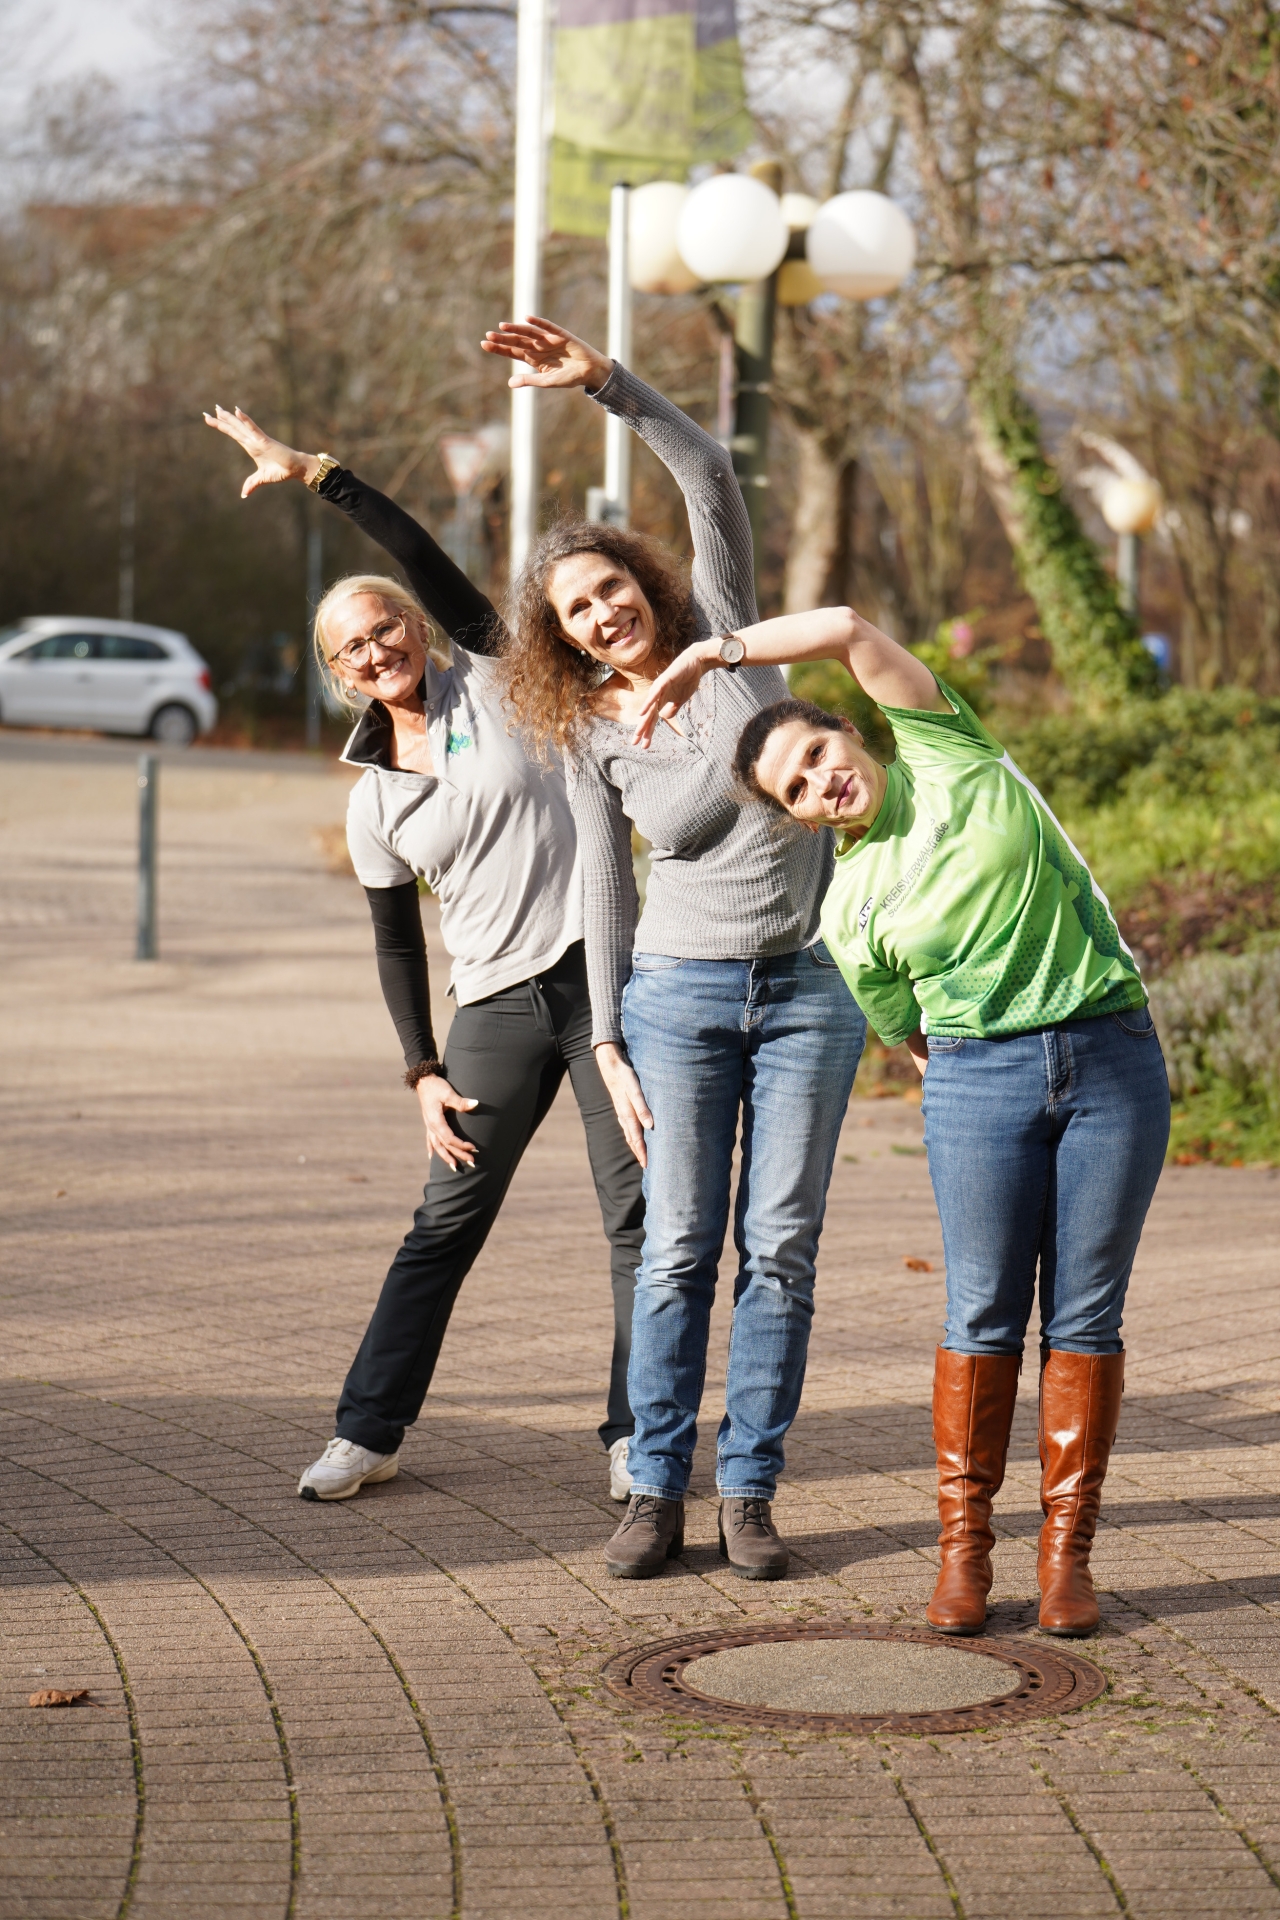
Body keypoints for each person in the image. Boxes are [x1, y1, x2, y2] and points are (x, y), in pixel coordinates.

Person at [637, 603, 1169, 1636]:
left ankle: (1066, 1564)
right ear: (798, 818)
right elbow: (905, 1029)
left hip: (1111, 1060)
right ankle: (963, 1557)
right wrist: (975, 1061)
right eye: (793, 787)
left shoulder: (946, 752)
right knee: (979, 1317)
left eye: (816, 751)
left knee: (1085, 1319)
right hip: (979, 1087)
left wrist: (712, 650)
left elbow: (844, 624)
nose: (817, 779)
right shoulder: (848, 908)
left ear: (850, 732)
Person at [479, 319, 867, 1582]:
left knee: (783, 1249)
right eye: (576, 611)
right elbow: (604, 882)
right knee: (679, 1247)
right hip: (679, 1002)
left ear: (642, 581)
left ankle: (748, 1491)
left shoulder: (728, 635)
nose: (603, 615)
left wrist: (603, 384)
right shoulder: (586, 732)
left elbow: (706, 472)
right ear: (562, 635)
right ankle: (652, 1484)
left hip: (808, 992)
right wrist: (602, 1035)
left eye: (610, 588)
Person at [203, 403, 645, 1504]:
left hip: (602, 985)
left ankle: (639, 1435)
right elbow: (395, 944)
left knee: (639, 1213)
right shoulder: (373, 806)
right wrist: (421, 1068)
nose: (376, 649)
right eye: (353, 646)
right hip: (493, 1010)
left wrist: (319, 475)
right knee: (441, 1223)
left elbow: (418, 552)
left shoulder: (499, 680)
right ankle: (369, 1429)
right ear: (340, 675)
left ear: (418, 630)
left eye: (387, 629)